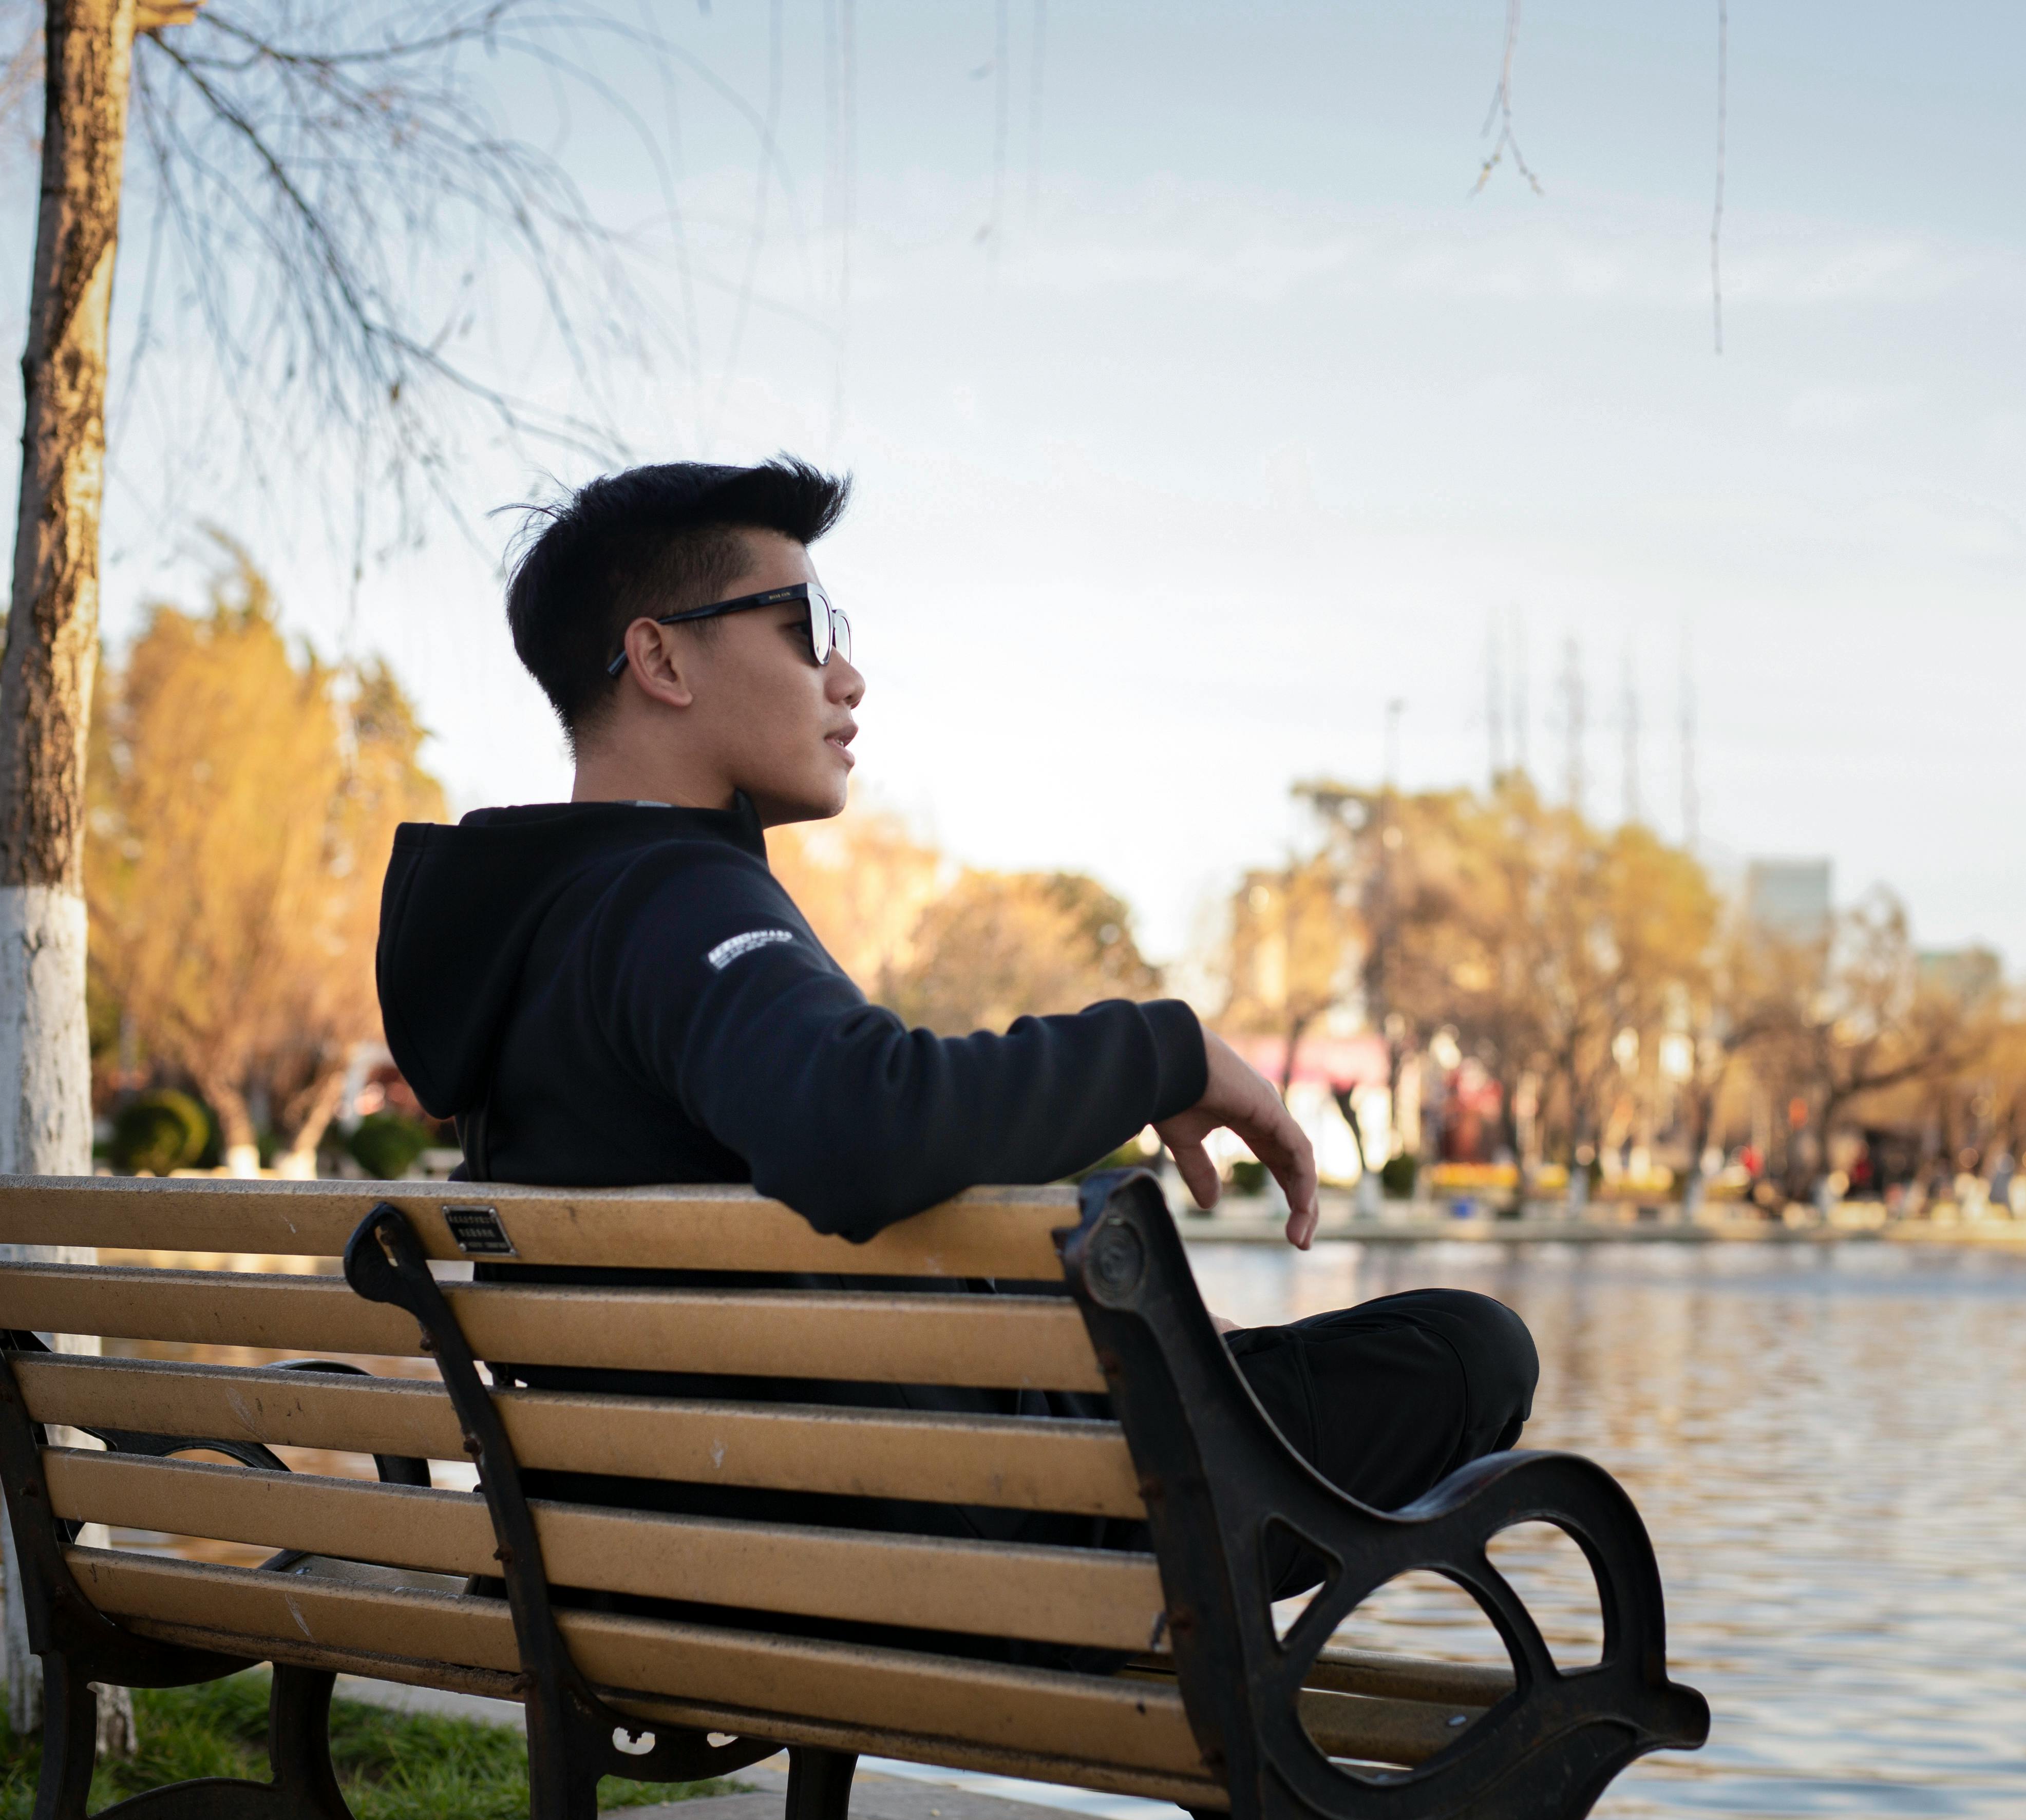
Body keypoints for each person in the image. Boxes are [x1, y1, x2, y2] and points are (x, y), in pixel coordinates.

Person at [373, 456, 1538, 1625]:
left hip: (678, 1548)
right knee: (1468, 1350)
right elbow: (859, 1127)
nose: (848, 677)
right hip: (935, 1547)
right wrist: (1164, 1051)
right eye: (803, 628)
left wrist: (1092, 1317)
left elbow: (792, 1210)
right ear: (661, 658)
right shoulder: (677, 900)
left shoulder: (541, 931)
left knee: (1274, 1354)